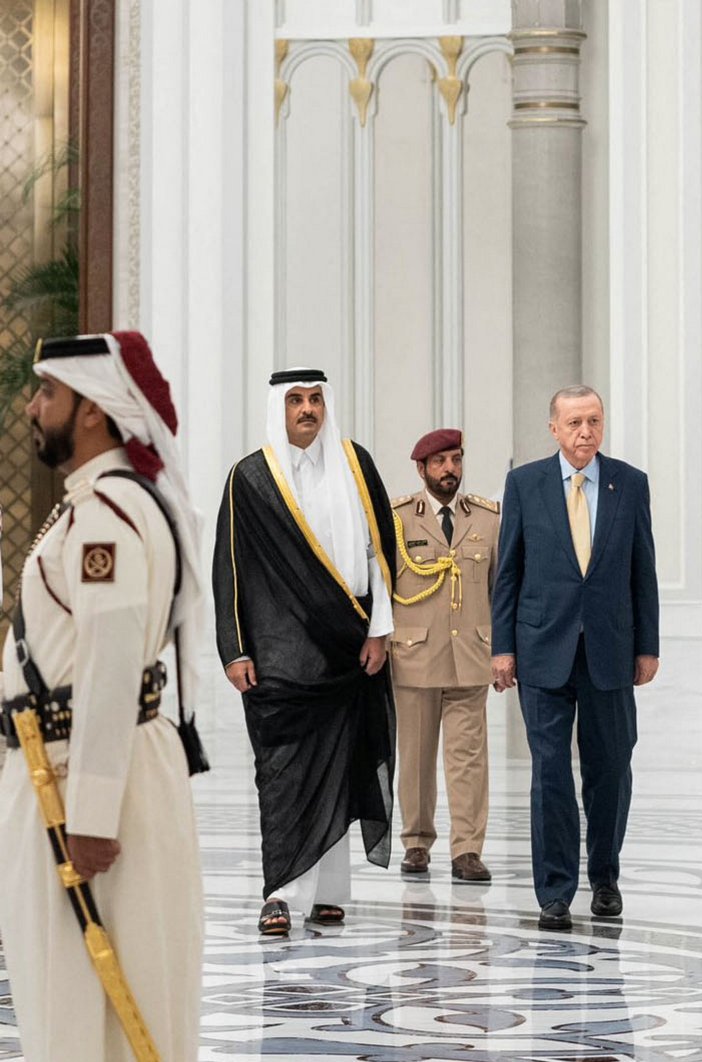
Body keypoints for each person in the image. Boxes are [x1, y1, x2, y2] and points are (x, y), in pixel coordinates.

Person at [0, 331, 205, 1060]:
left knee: (86, 991)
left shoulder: (108, 520)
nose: (34, 407)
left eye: (48, 392)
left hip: (78, 783)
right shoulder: (98, 505)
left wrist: (87, 818)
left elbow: (111, 671)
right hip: (66, 766)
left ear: (93, 410)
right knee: (71, 986)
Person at [214, 368, 398, 936]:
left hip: (348, 646)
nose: (307, 409)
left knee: (340, 767)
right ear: (279, 407)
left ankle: (328, 894)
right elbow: (231, 569)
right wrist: (235, 650)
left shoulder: (356, 465)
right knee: (282, 772)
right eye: (295, 400)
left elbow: (378, 555)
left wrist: (380, 631)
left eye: (316, 399)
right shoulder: (250, 478)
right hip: (277, 657)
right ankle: (278, 893)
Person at [491, 385, 660, 931]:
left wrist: (648, 646)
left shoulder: (630, 483)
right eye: (574, 423)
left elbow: (643, 570)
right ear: (554, 428)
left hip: (610, 650)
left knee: (610, 768)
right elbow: (508, 572)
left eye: (593, 421)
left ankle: (605, 877)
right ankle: (555, 891)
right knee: (550, 773)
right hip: (542, 648)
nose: (585, 432)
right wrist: (503, 647)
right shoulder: (524, 484)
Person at [391, 428, 498, 883]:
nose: (449, 469)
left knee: (468, 756)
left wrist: (505, 648)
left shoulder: (488, 518)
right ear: (422, 469)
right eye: (439, 462)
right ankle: (417, 841)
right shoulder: (397, 518)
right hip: (415, 655)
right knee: (415, 756)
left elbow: (501, 588)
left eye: (455, 459)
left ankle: (468, 850)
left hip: (470, 653)